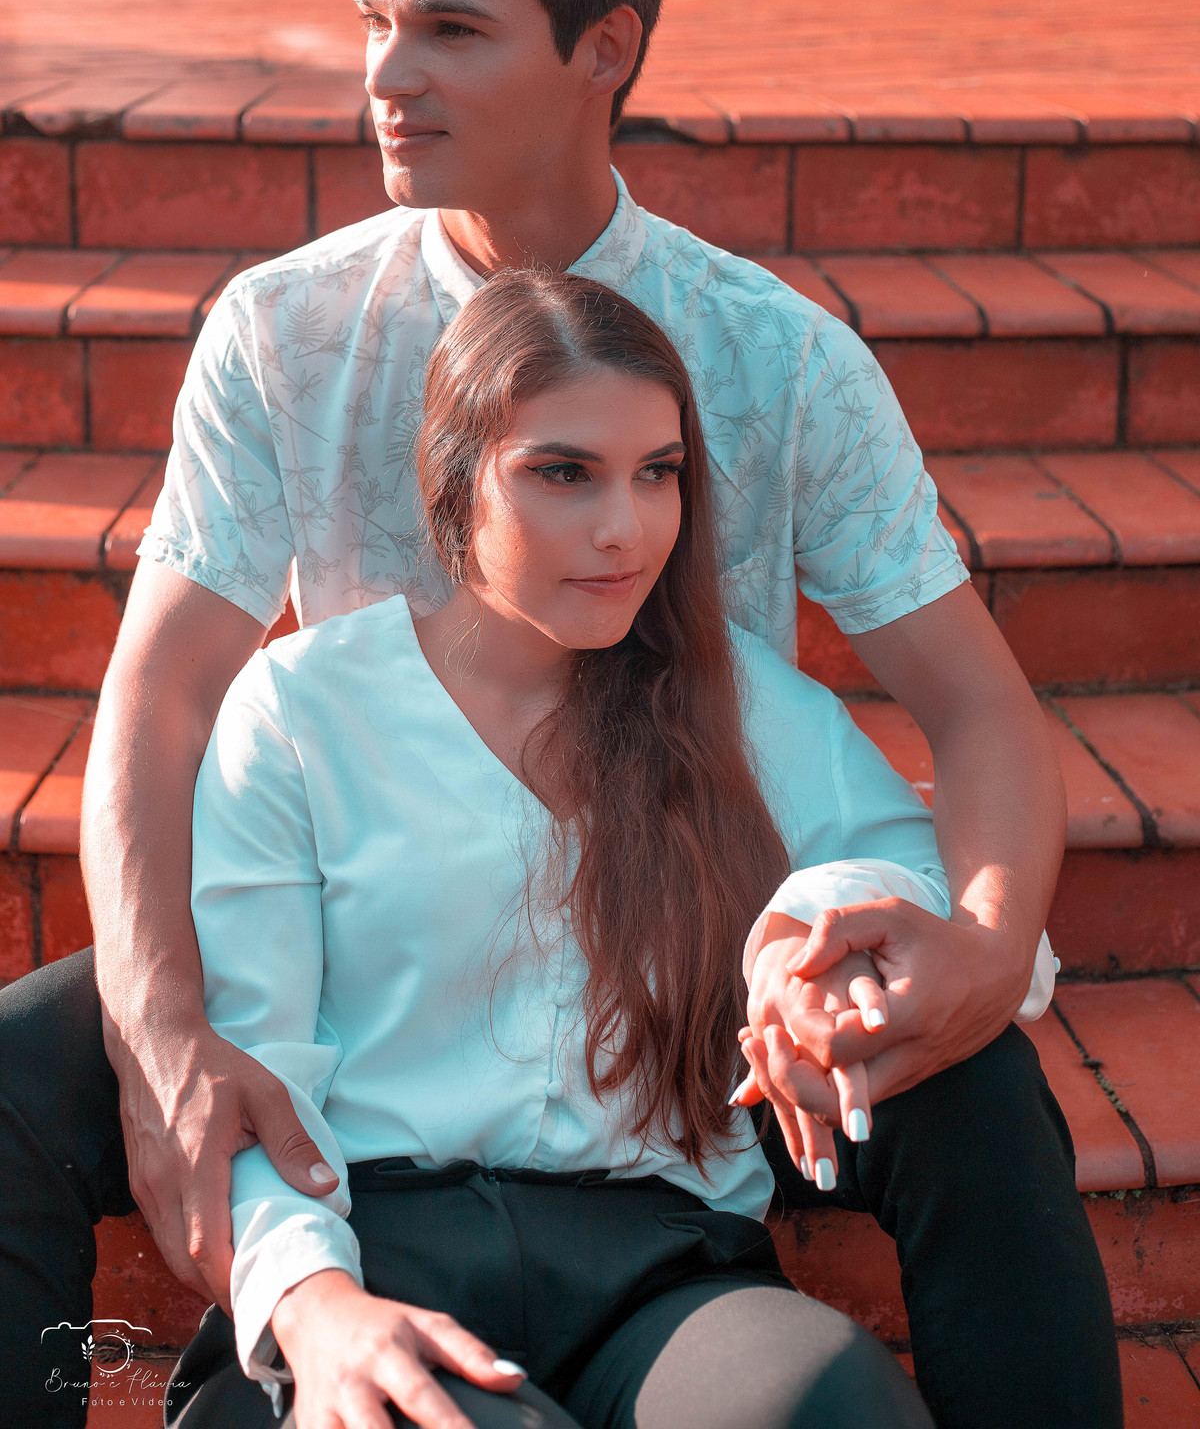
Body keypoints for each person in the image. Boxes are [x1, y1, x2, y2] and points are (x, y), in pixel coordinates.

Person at [0, 0, 1119, 1428]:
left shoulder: (778, 357)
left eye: (450, 29)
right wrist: (171, 1033)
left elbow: (974, 706)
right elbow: (161, 696)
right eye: (376, 23)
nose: (387, 76)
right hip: (362, 920)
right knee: (33, 1061)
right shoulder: (288, 330)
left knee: (978, 1072)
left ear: (607, 48)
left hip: (676, 952)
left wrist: (986, 943)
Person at [168, 268, 950, 1429]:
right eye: (563, 472)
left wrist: (812, 924)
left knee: (831, 1405)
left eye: (657, 473)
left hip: (664, 1272)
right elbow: (253, 1064)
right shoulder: (301, 710)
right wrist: (314, 1304)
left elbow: (931, 885)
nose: (623, 527)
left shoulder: (737, 706)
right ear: (454, 479)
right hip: (377, 1256)